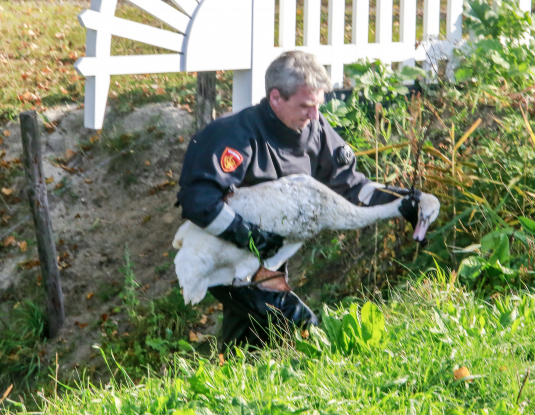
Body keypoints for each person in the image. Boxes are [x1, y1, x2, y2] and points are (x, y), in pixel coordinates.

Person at [176, 51, 422, 350]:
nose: (315, 115)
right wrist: (250, 236)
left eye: (318, 105)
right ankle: (334, 376)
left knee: (250, 343)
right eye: (306, 106)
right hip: (225, 257)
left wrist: (405, 200)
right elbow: (198, 200)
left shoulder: (313, 130)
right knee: (305, 331)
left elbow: (350, 187)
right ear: (276, 98)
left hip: (270, 257)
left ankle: (226, 389)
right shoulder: (234, 134)